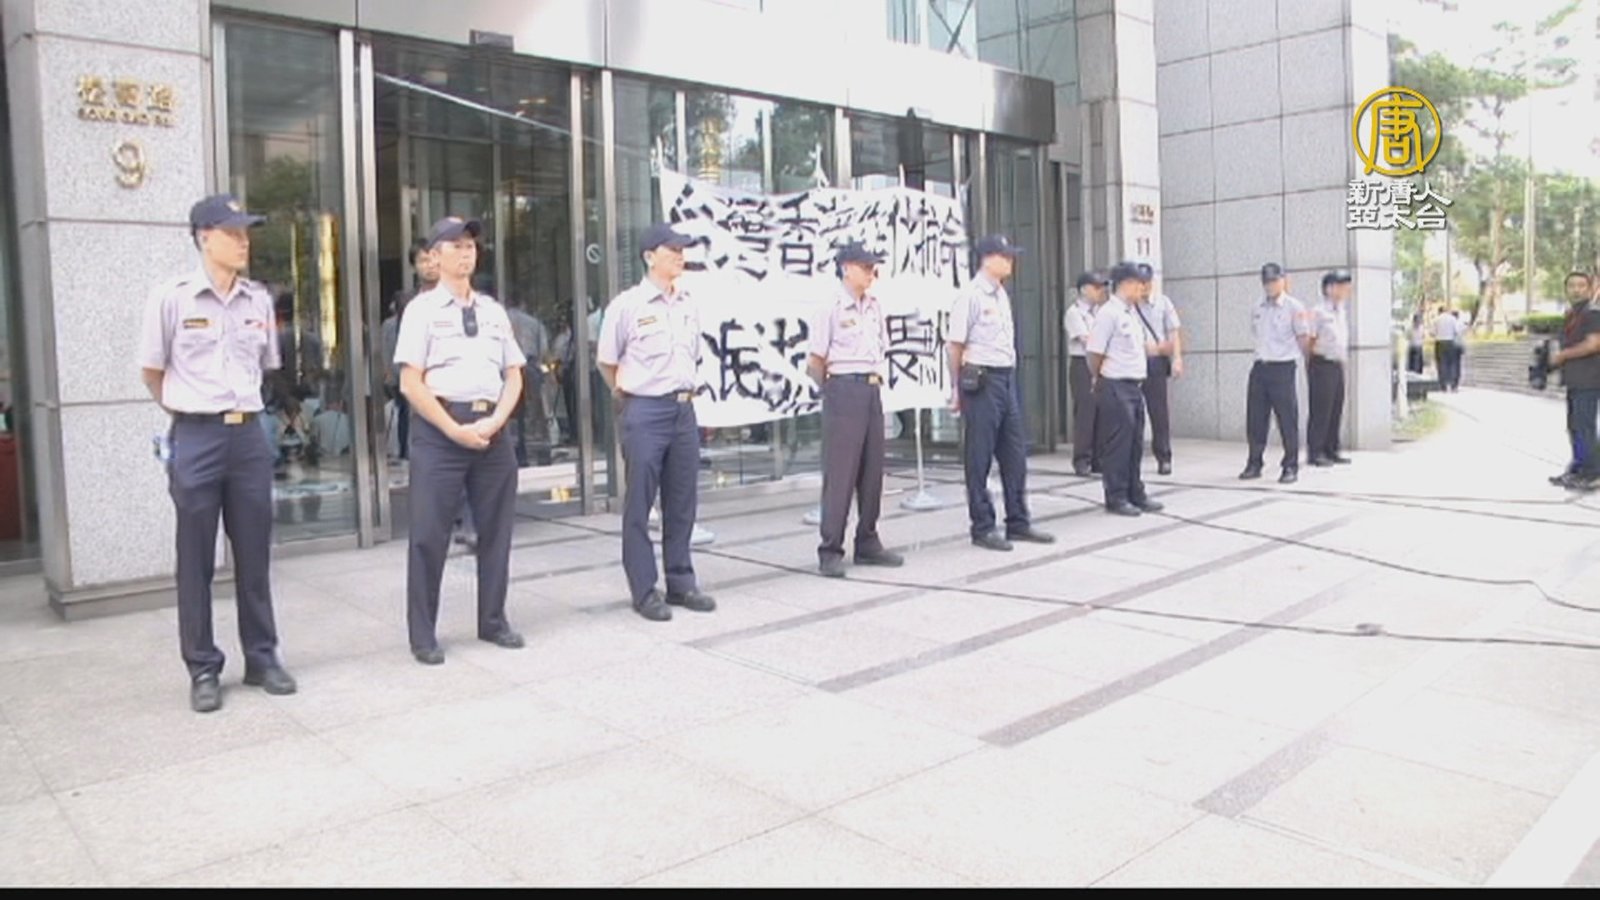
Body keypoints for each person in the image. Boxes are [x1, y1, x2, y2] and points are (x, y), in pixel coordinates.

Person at [137, 194, 295, 713]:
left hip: (248, 435)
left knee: (254, 554)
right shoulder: (172, 299)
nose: (244, 241)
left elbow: (265, 365)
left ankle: (262, 658)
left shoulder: (258, 300)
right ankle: (203, 667)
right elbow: (152, 372)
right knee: (196, 559)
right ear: (204, 238)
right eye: (233, 233)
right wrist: (190, 414)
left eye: (246, 232)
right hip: (196, 436)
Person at [393, 216, 527, 665]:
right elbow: (411, 383)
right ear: (434, 256)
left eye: (470, 245)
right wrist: (453, 429)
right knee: (429, 536)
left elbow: (514, 374)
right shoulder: (421, 311)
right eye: (455, 245)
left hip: (492, 430)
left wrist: (497, 420)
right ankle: (423, 634)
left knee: (496, 532)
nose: (466, 252)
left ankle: (493, 620)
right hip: (440, 432)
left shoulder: (492, 310)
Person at [596, 223, 715, 622]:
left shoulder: (688, 303)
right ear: (649, 256)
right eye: (672, 250)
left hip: (683, 409)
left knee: (681, 500)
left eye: (682, 250)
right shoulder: (626, 306)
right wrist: (628, 395)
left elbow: (694, 356)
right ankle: (644, 589)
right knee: (640, 503)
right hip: (645, 410)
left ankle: (681, 581)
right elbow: (607, 361)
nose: (680, 256)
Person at [948, 234, 1054, 552]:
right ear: (987, 258)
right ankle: (982, 526)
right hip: (981, 380)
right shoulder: (970, 296)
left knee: (1014, 454)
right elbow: (955, 346)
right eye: (1004, 256)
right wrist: (955, 387)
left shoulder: (1001, 294)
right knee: (979, 457)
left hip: (1006, 378)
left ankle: (1018, 521)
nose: (1010, 261)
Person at [807, 242, 905, 578]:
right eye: (865, 267)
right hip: (843, 388)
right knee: (841, 474)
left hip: (871, 387)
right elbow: (815, 361)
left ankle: (868, 540)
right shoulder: (830, 306)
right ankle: (830, 548)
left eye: (873, 267)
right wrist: (833, 391)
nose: (871, 273)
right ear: (846, 268)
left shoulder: (875, 306)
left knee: (873, 469)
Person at [1089, 263, 1165, 517]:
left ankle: (1135, 492)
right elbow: (1094, 353)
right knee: (1118, 445)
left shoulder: (1131, 313)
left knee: (1134, 443)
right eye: (1138, 283)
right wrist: (1099, 377)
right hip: (1115, 384)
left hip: (1134, 385)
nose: (1142, 288)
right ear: (1125, 284)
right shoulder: (1108, 313)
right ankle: (1116, 496)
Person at [1241, 262, 1312, 484]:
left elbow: (1303, 338)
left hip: (1283, 368)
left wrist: (1309, 365)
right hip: (1260, 367)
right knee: (1255, 419)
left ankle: (1290, 466)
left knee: (1287, 419)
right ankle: (1254, 463)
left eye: (1274, 281)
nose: (1270, 285)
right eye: (1266, 282)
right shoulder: (1257, 307)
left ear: (1283, 280)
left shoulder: (1294, 307)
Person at [384, 241, 440, 461]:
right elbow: (401, 344)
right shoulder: (410, 304)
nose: (430, 265)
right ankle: (408, 455)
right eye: (423, 260)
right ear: (414, 266)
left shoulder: (461, 298)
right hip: (417, 377)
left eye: (433, 258)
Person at [1550, 271, 1600, 491]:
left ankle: (1593, 473)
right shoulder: (1572, 314)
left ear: (1589, 289)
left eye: (1581, 285)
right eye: (1572, 286)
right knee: (1574, 428)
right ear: (1566, 289)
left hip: (1589, 380)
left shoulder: (1593, 313)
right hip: (1575, 380)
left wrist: (1563, 356)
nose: (1576, 290)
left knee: (1584, 428)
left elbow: (1594, 344)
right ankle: (1578, 468)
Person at [1134, 262, 1183, 476]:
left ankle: (1164, 457)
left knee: (1159, 412)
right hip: (1133, 362)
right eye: (1140, 282)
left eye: (1146, 282)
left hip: (1156, 363)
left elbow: (1173, 332)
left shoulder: (1163, 303)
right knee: (1133, 413)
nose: (1143, 286)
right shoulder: (1129, 305)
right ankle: (1133, 456)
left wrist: (1177, 358)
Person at [1306, 270, 1353, 468]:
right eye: (1342, 286)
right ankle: (1315, 452)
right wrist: (1312, 363)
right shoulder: (1318, 312)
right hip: (1321, 363)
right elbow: (1310, 339)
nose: (1346, 290)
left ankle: (1331, 449)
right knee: (1321, 409)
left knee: (1335, 408)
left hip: (1337, 364)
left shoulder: (1341, 310)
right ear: (1330, 288)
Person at [1065, 270, 1107, 477]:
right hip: (1082, 364)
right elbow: (1087, 340)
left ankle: (1099, 459)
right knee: (1085, 413)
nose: (1100, 291)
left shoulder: (1101, 312)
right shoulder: (1074, 313)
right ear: (1083, 290)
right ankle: (1082, 459)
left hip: (1102, 364)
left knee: (1101, 412)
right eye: (1096, 287)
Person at [505, 297, 550, 468]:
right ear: (522, 304)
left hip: (507, 370)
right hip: (530, 367)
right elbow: (543, 350)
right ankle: (540, 452)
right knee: (534, 412)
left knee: (510, 412)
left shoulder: (500, 319)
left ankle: (516, 451)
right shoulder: (534, 323)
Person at [1434, 304, 1464, 391]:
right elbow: (1457, 331)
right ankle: (1453, 384)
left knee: (1441, 364)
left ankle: (1443, 385)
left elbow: (1432, 332)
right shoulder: (1452, 319)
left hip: (1439, 342)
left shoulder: (1436, 320)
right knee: (1451, 364)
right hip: (1450, 342)